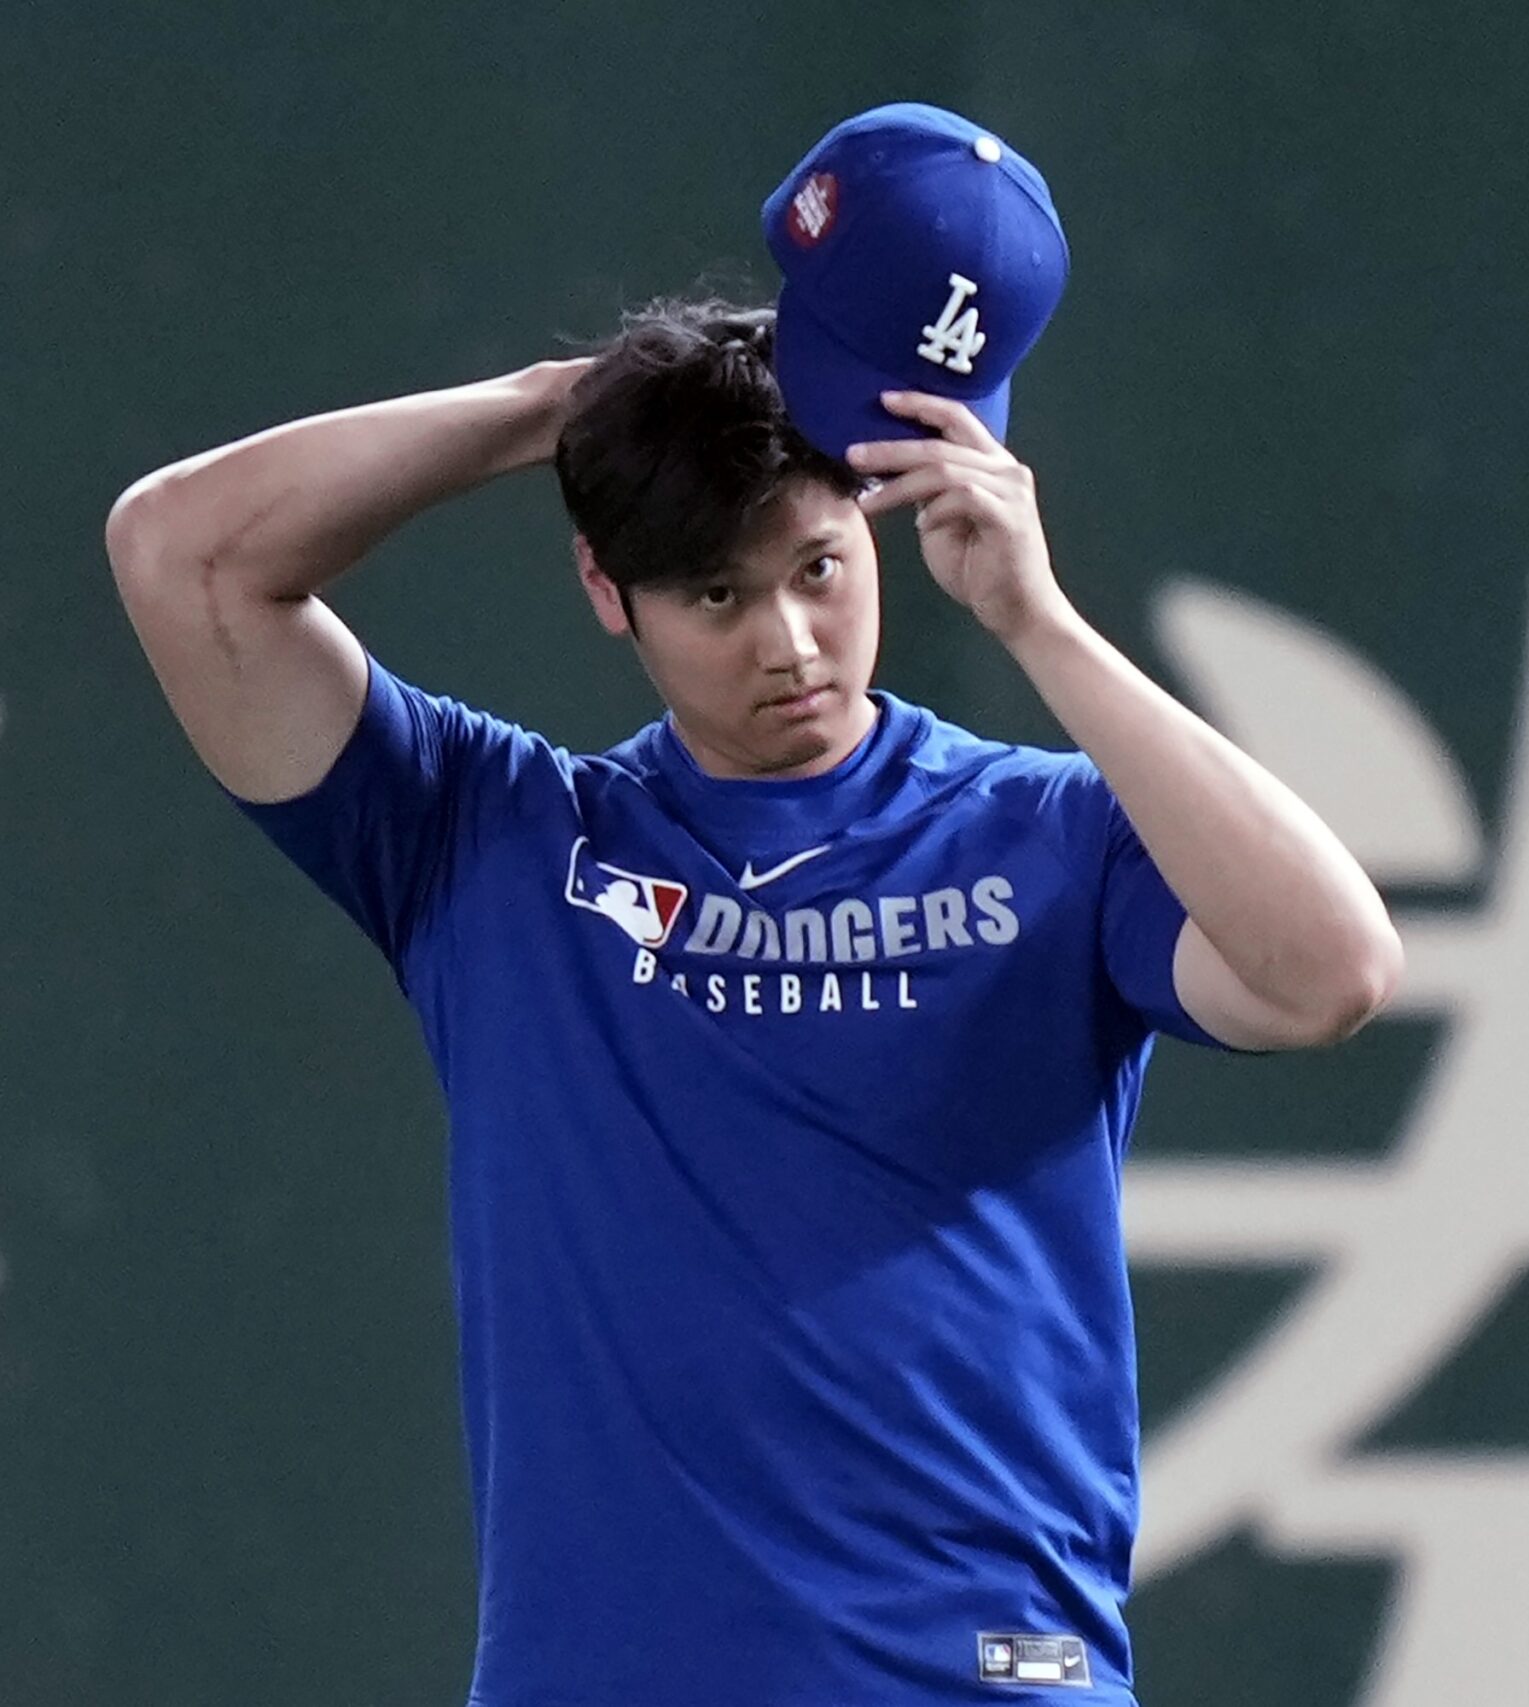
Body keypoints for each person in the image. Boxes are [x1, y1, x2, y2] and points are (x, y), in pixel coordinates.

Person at [102, 116, 1401, 1707]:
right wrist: (557, 406)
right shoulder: (492, 842)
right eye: (718, 595)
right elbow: (182, 558)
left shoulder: (1047, 833)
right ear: (608, 592)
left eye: (821, 568)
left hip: (984, 1683)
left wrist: (1044, 624)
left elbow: (1333, 970)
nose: (788, 639)